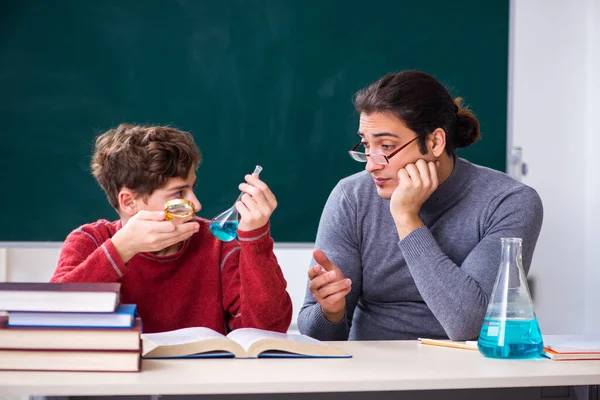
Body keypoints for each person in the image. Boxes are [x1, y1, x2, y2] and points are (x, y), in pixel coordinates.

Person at [297, 70, 543, 341]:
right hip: (370, 372)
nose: (371, 164)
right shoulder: (351, 197)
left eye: (387, 146)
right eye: (366, 146)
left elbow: (469, 325)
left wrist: (406, 218)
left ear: (435, 142)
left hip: (467, 374)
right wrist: (331, 311)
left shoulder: (510, 201)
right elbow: (315, 336)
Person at [51, 124, 292, 334]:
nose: (197, 205)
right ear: (129, 202)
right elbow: (53, 316)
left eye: (192, 188)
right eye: (179, 193)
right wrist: (122, 248)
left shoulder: (216, 245)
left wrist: (256, 238)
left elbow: (268, 331)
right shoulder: (90, 241)